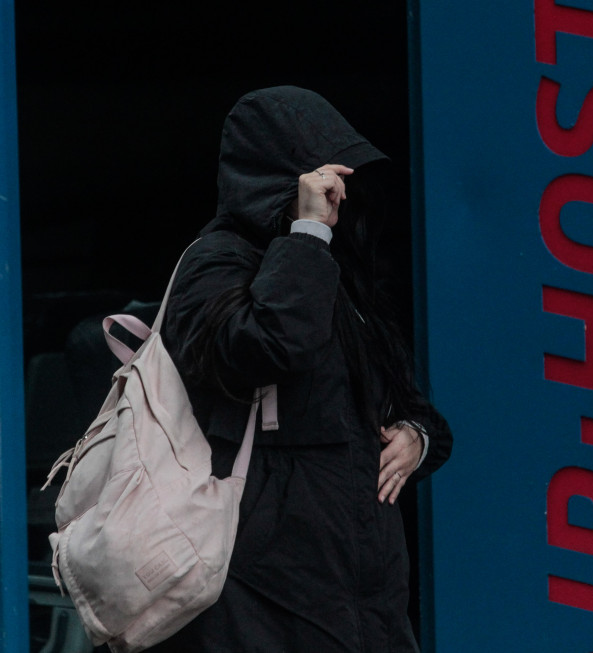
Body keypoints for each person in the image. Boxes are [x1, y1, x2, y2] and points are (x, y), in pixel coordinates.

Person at [152, 86, 453, 652]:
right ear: (282, 178)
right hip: (261, 589)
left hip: (366, 586)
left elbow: (411, 408)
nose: (339, 194)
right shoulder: (217, 261)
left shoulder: (340, 274)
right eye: (325, 177)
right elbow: (267, 346)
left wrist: (417, 438)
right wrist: (308, 234)